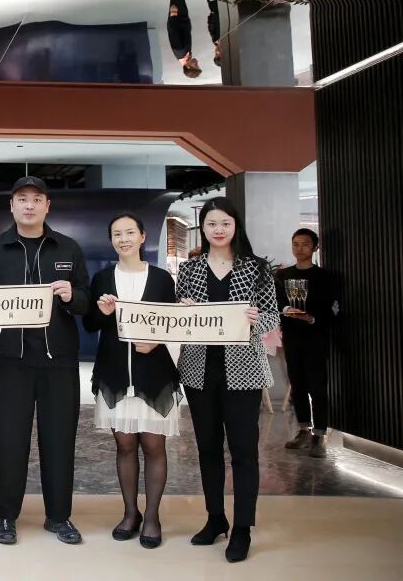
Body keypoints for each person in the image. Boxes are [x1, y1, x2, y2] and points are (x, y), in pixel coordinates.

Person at [0, 176, 90, 546]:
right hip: (10, 361)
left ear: (47, 206)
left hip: (59, 361)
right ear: (12, 206)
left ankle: (59, 517)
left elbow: (87, 301)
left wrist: (73, 295)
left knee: (60, 440)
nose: (29, 205)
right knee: (8, 441)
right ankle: (5, 517)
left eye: (37, 199)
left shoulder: (68, 248)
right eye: (22, 199)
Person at [177, 196, 279, 563]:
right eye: (211, 224)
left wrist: (256, 320)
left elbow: (272, 316)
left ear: (236, 226)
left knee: (243, 451)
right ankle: (215, 518)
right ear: (202, 229)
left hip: (244, 372)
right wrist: (183, 312)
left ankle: (242, 527)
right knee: (207, 448)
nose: (218, 230)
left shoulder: (257, 268)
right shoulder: (189, 270)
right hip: (199, 371)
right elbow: (178, 319)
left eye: (225, 223)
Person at [83, 213, 180, 550]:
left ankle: (152, 517)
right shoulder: (102, 278)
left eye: (129, 233)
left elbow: (173, 323)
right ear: (111, 240)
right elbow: (90, 324)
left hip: (154, 374)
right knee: (124, 446)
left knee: (154, 447)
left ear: (142, 236)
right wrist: (103, 313)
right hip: (114, 374)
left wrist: (156, 340)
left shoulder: (161, 278)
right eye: (116, 234)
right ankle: (130, 513)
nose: (123, 239)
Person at [276, 228, 339, 458]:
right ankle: (303, 429)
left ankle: (319, 435)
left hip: (316, 337)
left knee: (317, 386)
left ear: (315, 247)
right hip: (291, 336)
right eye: (295, 244)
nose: (299, 249)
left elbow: (332, 307)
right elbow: (276, 302)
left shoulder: (324, 276)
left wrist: (312, 318)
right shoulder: (282, 275)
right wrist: (288, 310)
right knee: (297, 383)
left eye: (304, 244)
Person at [168, 0, 202, 79]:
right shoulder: (186, 55)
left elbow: (172, 31)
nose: (197, 63)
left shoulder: (180, 51)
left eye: (196, 65)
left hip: (177, 17)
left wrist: (173, 14)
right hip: (182, 18)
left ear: (188, 66)